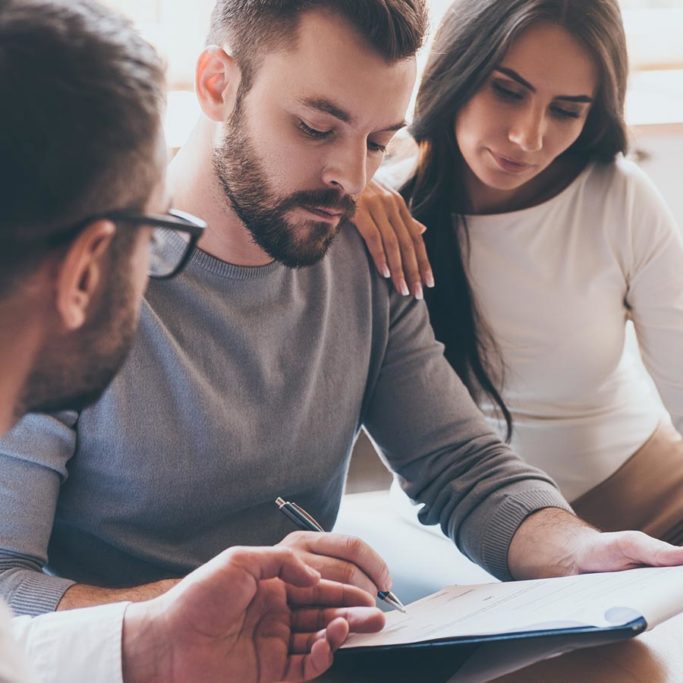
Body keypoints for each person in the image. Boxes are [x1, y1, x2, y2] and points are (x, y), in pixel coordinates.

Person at [2, 0, 683, 621]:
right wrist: (194, 610)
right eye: (316, 126)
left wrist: (578, 553)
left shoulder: (361, 248)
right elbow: (7, 583)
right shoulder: (73, 278)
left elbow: (459, 465)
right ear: (217, 85)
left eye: (378, 141)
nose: (351, 178)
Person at [0, 1, 385, 681]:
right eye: (157, 232)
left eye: (376, 142)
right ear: (89, 267)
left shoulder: (361, 252)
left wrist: (154, 638)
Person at [352, 0, 683, 543]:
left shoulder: (619, 198)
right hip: (466, 536)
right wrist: (344, 192)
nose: (529, 138)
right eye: (507, 90)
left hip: (652, 504)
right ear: (459, 68)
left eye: (566, 111)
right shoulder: (382, 213)